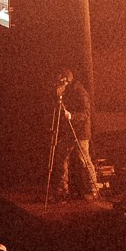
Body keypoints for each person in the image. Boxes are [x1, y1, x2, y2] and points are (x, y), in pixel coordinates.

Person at [51, 69, 100, 201]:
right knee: (61, 157)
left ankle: (93, 190)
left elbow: (86, 113)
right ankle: (62, 191)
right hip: (69, 130)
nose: (59, 83)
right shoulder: (64, 92)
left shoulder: (80, 91)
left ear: (67, 80)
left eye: (61, 80)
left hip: (81, 131)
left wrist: (71, 116)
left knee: (84, 159)